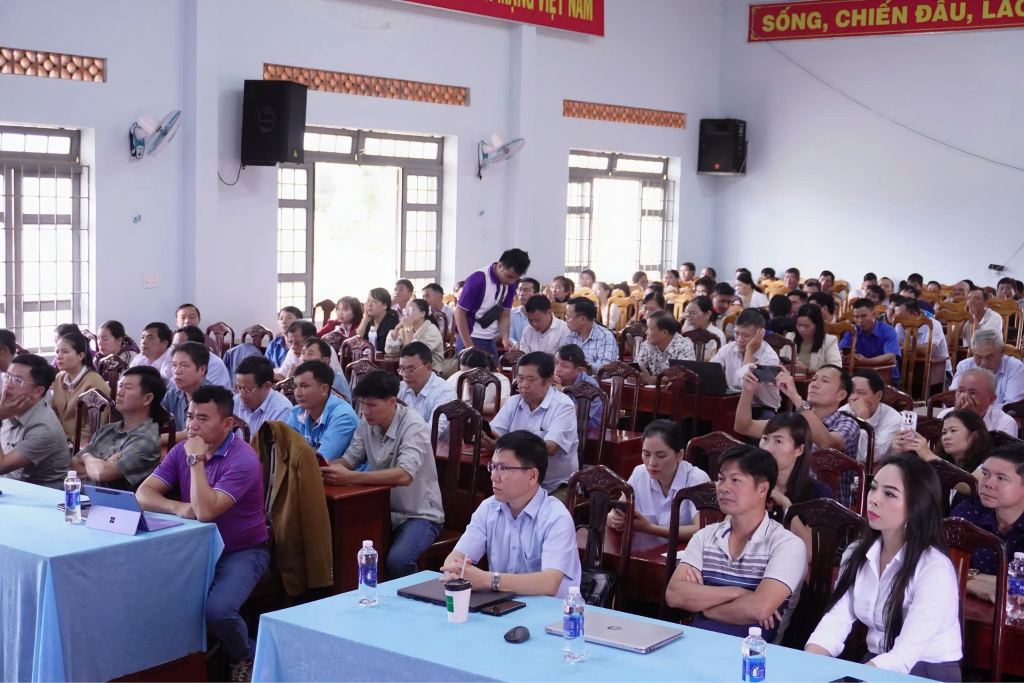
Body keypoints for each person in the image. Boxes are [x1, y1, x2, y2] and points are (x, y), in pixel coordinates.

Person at [137, 385, 269, 682]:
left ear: (227, 423)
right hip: (195, 547)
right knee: (152, 593)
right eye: (190, 416)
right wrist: (177, 507)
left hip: (241, 551)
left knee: (219, 611)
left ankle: (247, 654)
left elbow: (207, 512)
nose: (193, 426)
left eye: (203, 418)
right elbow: (143, 494)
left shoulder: (243, 460)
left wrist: (196, 460)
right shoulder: (180, 451)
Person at [805, 454, 961, 679]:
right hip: (877, 661)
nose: (874, 499)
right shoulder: (856, 552)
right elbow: (836, 620)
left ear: (917, 506)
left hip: (926, 670)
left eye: (889, 494)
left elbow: (904, 656)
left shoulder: (935, 568)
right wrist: (809, 664)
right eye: (873, 488)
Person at [665, 444, 806, 643]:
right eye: (721, 479)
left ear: (763, 488)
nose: (723, 488)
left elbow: (759, 608)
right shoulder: (705, 537)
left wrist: (704, 607)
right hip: (696, 643)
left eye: (736, 480)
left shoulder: (787, 545)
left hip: (755, 652)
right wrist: (739, 592)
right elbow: (674, 594)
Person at [321, 371, 444, 578]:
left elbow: (404, 475)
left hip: (419, 514)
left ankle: (413, 598)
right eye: (362, 405)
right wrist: (331, 468)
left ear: (392, 402)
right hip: (381, 511)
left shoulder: (413, 425)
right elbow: (351, 457)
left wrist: (351, 477)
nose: (365, 411)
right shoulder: (366, 422)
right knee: (347, 548)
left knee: (399, 561)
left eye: (372, 405)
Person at [440, 430, 581, 599]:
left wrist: (487, 580)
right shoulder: (488, 508)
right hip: (503, 605)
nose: (494, 477)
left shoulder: (556, 517)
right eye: (493, 467)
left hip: (552, 611)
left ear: (532, 476)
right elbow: (455, 558)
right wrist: (456, 571)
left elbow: (550, 583)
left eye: (503, 469)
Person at [484, 352, 578, 503]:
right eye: (520, 378)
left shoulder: (563, 406)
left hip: (555, 485)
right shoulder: (513, 402)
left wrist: (504, 445)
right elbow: (494, 433)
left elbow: (551, 448)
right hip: (515, 482)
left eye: (531, 379)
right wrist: (486, 439)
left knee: (538, 512)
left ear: (549, 380)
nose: (523, 385)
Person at [608, 420, 710, 551]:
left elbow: (703, 530)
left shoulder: (697, 479)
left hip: (682, 555)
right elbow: (613, 515)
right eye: (646, 454)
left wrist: (651, 529)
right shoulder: (640, 473)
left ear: (680, 455)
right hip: (643, 554)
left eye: (661, 456)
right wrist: (616, 521)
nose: (652, 463)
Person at [70, 366, 166, 491]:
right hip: (79, 496)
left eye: (128, 388)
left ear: (147, 398)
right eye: (121, 386)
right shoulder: (106, 430)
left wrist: (86, 457)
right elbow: (72, 467)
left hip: (109, 502)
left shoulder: (147, 440)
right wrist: (102, 464)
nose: (119, 393)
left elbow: (101, 474)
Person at [950, 443, 1024, 605]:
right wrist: (972, 585)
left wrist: (967, 577)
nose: (988, 483)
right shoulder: (967, 511)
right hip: (967, 608)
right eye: (985, 474)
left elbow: (1021, 587)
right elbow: (942, 568)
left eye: (1001, 478)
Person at [756, 412, 832, 554]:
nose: (767, 448)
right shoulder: (752, 484)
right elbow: (727, 533)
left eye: (778, 441)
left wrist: (786, 505)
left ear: (799, 450)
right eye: (765, 438)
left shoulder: (818, 492)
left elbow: (811, 553)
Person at [0, 355, 68, 488]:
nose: (8, 385)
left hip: (37, 494)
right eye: (7, 376)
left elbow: (1, 466)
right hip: (9, 486)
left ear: (38, 391)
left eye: (18, 381)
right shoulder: (7, 407)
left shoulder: (45, 429)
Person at [895, 409, 991, 498]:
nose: (946, 437)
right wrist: (897, 454)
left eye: (953, 431)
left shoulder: (988, 461)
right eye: (944, 432)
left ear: (974, 436)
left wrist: (929, 456)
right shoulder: (943, 460)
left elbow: (971, 486)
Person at [454, 248, 530, 361]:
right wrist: (469, 347)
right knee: (472, 371)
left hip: (490, 338)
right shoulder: (477, 280)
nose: (511, 281)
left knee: (492, 372)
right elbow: (459, 313)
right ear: (500, 266)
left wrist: (505, 337)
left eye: (515, 278)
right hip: (470, 336)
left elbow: (505, 313)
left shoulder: (510, 284)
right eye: (509, 276)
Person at [711, 309, 781, 418]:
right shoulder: (727, 349)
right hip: (732, 402)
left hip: (760, 407)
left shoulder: (769, 358)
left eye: (745, 335)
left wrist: (750, 351)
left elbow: (746, 386)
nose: (739, 339)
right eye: (736, 333)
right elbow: (710, 371)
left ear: (760, 335)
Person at [285, 361, 358, 461]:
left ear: (324, 389)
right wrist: (311, 451)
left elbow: (320, 461)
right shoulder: (297, 412)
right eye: (295, 386)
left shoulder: (343, 416)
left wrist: (302, 450)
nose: (297, 393)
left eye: (304, 386)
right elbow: (283, 452)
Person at [51, 332, 111, 443]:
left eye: (65, 352)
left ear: (81, 356)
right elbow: (54, 412)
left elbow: (96, 424)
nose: (59, 356)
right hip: (59, 440)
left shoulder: (94, 382)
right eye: (57, 352)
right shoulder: (58, 378)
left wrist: (73, 443)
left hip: (82, 444)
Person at [841, 369, 902, 468]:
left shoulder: (894, 419)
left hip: (878, 471)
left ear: (878, 396)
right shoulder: (843, 412)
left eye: (861, 393)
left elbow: (873, 457)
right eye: (851, 392)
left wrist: (863, 420)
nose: (853, 398)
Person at [397, 342, 457, 440]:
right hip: (406, 443)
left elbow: (432, 433)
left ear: (428, 368)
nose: (405, 375)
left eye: (411, 370)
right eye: (402, 369)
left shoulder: (445, 393)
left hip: (439, 447)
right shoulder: (400, 388)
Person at [951, 328, 1024, 409]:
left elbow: (1011, 407)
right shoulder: (964, 366)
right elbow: (952, 397)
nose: (983, 363)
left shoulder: (1015, 368)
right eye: (978, 357)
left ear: (1002, 351)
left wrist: (979, 409)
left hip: (998, 416)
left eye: (989, 357)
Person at [938, 366, 1018, 437]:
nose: (964, 396)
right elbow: (938, 447)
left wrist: (976, 421)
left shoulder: (1005, 423)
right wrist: (954, 418)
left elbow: (993, 449)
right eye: (961, 391)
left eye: (973, 393)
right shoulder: (944, 416)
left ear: (991, 399)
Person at [842, 298, 902, 388]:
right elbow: (841, 351)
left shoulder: (888, 330)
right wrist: (844, 356)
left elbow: (891, 357)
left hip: (886, 377)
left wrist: (866, 361)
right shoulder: (852, 331)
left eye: (864, 316)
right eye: (856, 317)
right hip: (858, 376)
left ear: (874, 314)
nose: (860, 321)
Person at [162, 342, 213, 442]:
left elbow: (190, 434)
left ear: (202, 370)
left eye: (184, 365)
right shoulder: (173, 393)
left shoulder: (211, 396)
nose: (177, 371)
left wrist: (152, 441)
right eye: (174, 365)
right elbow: (155, 418)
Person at [232, 355, 293, 437]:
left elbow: (277, 444)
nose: (241, 395)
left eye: (247, 389)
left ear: (267, 386)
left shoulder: (281, 411)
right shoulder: (236, 402)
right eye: (239, 388)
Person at [893, 298, 950, 380]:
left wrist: (905, 345)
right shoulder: (900, 324)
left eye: (900, 316)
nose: (897, 320)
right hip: (911, 370)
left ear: (914, 315)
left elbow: (927, 349)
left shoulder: (933, 324)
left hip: (939, 373)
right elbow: (896, 345)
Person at [446, 348, 510, 417]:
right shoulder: (456, 378)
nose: (466, 380)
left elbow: (504, 405)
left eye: (472, 375)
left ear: (486, 370)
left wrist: (468, 408)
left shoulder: (501, 380)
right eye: (464, 374)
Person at [635, 312, 695, 385]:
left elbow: (682, 376)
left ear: (664, 333)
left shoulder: (684, 346)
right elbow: (638, 367)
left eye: (649, 329)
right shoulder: (648, 344)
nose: (646, 332)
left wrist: (653, 380)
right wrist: (634, 375)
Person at [552, 344, 603, 430]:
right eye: (556, 363)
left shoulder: (590, 386)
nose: (557, 369)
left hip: (588, 431)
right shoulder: (551, 380)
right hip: (561, 427)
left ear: (578, 370)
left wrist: (561, 390)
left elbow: (578, 416)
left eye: (564, 366)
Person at [563, 297, 618, 371]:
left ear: (582, 319)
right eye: (566, 316)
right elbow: (563, 358)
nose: (566, 321)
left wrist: (580, 369)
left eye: (568, 317)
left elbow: (605, 368)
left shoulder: (605, 337)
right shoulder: (571, 334)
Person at [385, 298, 445, 367]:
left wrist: (408, 328)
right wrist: (396, 329)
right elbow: (391, 352)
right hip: (408, 368)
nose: (406, 314)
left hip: (430, 369)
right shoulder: (404, 329)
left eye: (410, 310)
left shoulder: (431, 330)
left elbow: (415, 354)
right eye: (405, 310)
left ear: (422, 313)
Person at [275, 320, 343, 380]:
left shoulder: (324, 350)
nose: (293, 347)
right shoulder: (293, 350)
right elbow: (282, 375)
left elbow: (322, 381)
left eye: (297, 342)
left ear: (311, 339)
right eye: (290, 342)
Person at [784, 304, 841, 375]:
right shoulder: (790, 337)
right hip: (790, 378)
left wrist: (807, 370)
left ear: (817, 325)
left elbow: (836, 369)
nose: (802, 330)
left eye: (807, 326)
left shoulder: (829, 341)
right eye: (799, 325)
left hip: (815, 380)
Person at [358, 288, 401, 353]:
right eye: (368, 301)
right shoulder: (369, 321)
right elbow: (355, 343)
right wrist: (365, 320)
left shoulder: (392, 323)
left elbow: (382, 348)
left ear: (385, 305)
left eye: (374, 301)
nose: (369, 304)